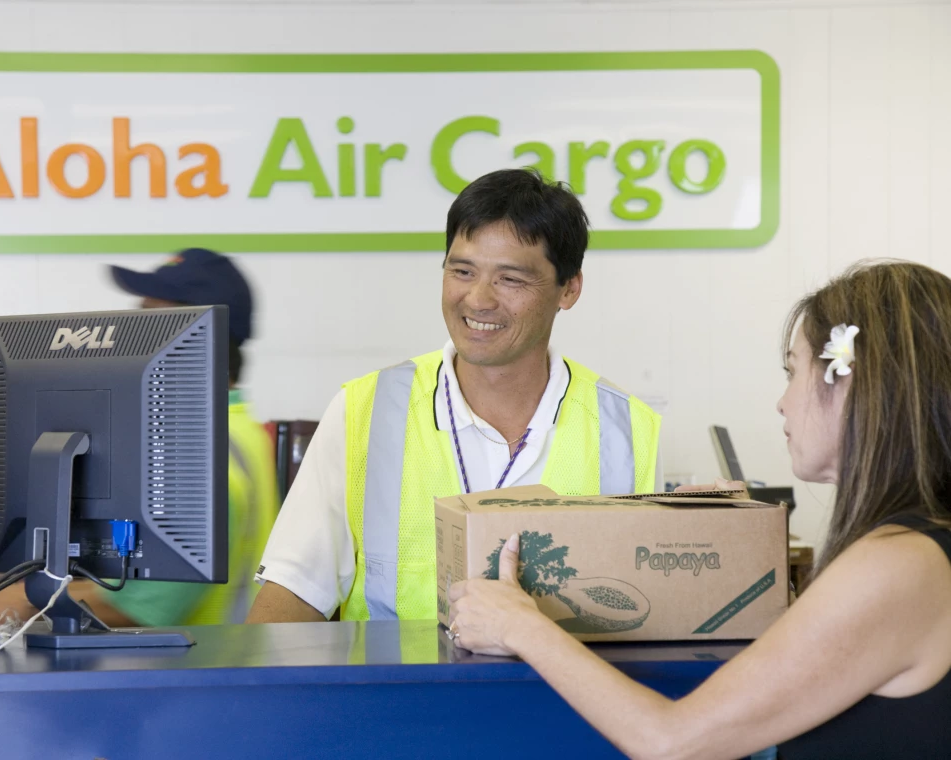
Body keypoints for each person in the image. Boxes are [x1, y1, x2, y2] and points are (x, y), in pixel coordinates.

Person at [448, 260, 951, 758]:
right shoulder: (915, 550)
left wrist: (521, 625)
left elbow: (673, 742)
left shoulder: (900, 565)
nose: (782, 403)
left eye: (793, 372)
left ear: (852, 385)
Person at [248, 168, 662, 624]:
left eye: (510, 279)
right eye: (462, 271)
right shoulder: (364, 410)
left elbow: (652, 619)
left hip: (559, 696)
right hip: (397, 694)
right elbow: (289, 602)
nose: (478, 300)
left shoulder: (630, 429)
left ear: (569, 288)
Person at [99, 248, 280, 625]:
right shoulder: (238, 428)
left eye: (147, 324)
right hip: (221, 670)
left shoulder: (195, 456)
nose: (126, 340)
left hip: (193, 674)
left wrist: (25, 604)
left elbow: (136, 610)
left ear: (199, 338)